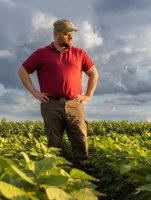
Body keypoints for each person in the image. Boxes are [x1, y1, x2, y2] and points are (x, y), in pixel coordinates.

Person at [18, 19, 98, 164]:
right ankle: (56, 177)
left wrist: (88, 95)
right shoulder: (41, 53)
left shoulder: (79, 53)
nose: (70, 37)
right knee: (54, 144)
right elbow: (22, 71)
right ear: (56, 34)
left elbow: (93, 74)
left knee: (80, 139)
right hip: (51, 104)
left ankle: (83, 175)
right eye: (67, 34)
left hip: (75, 103)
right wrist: (35, 92)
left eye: (71, 34)